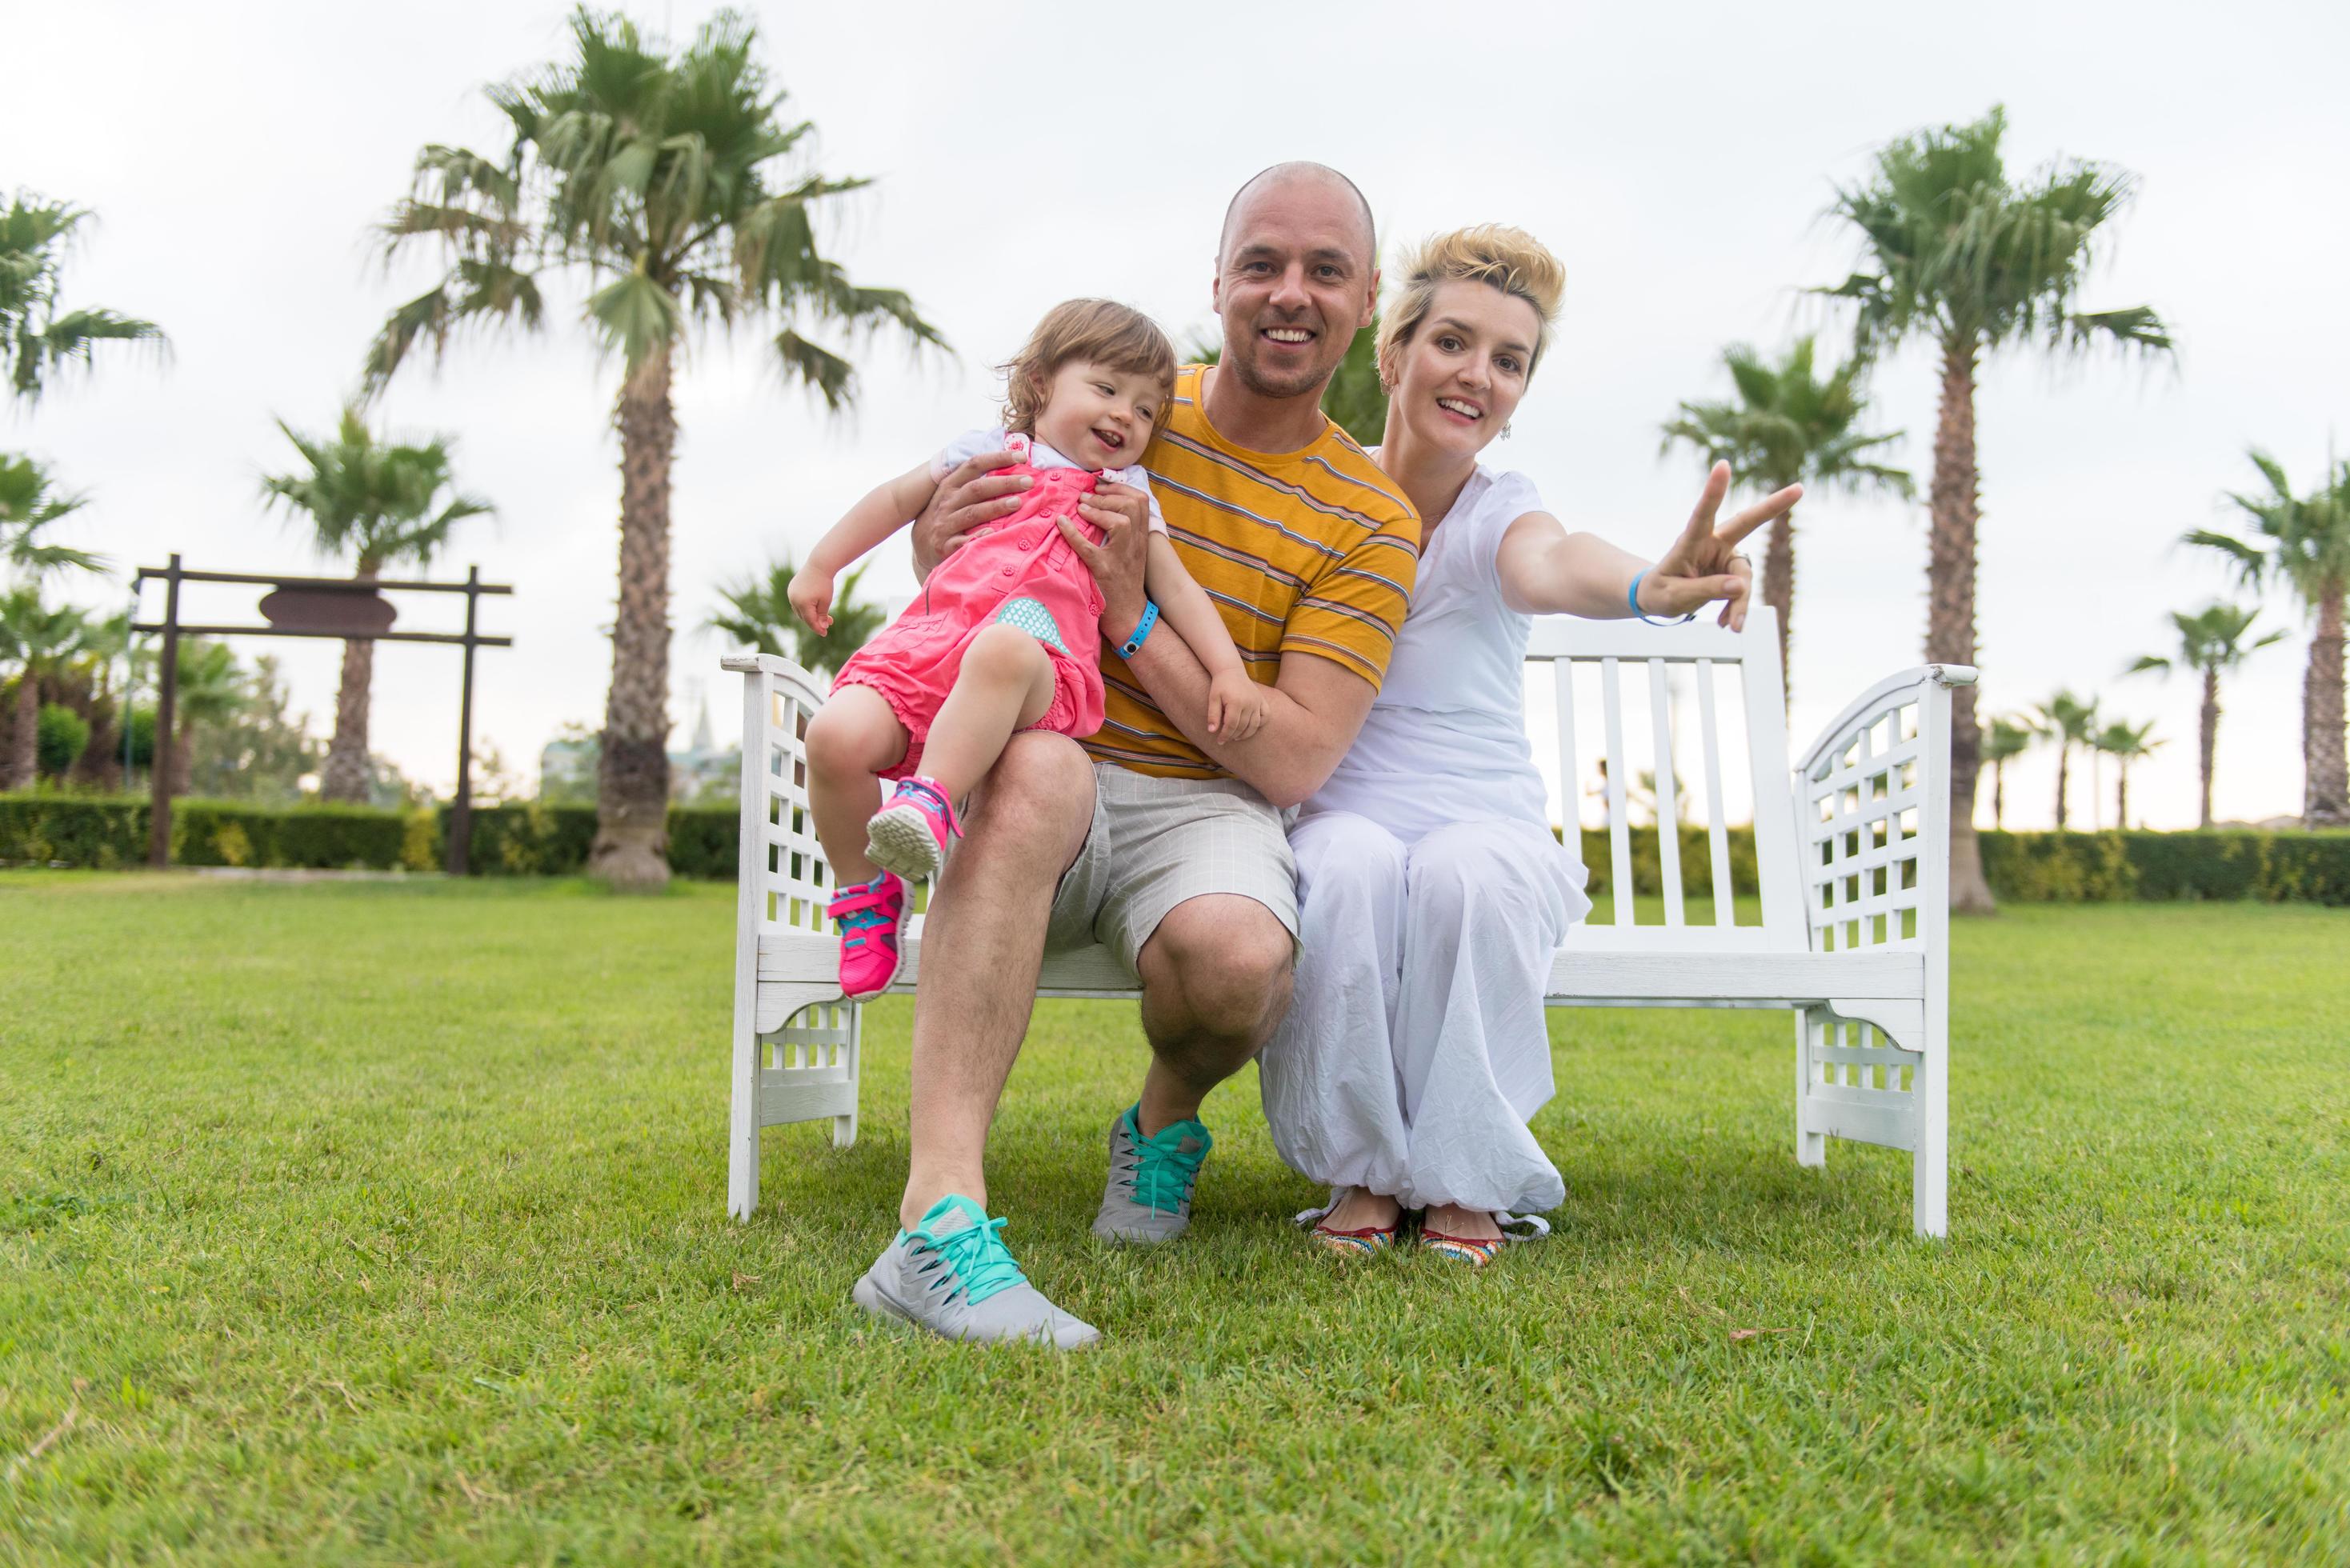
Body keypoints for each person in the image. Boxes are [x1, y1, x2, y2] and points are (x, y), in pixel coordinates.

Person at [847, 162, 1420, 1349]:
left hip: (1207, 802)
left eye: (1324, 270)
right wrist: (937, 548)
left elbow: (1297, 760)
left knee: (1238, 965)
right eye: (1261, 262)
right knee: (1041, 766)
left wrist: (1132, 623)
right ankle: (937, 1223)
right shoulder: (1121, 393)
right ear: (1219, 282)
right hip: (1044, 756)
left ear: (1366, 296)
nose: (1289, 292)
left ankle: (1162, 1121)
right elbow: (979, 577)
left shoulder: (1372, 517)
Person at [1258, 225, 1798, 1265]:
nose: (1478, 376)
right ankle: (1362, 1172)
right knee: (1347, 868)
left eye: (1509, 361)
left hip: (1483, 817)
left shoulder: (1503, 509)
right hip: (1340, 811)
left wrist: (1650, 586)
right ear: (1396, 351)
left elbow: (1555, 565)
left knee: (1467, 875)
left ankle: (1467, 1178)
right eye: (1454, 343)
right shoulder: (1323, 493)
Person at [791, 300, 1270, 1001]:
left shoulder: (1125, 496)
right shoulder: (984, 453)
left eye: (1145, 411)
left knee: (1005, 645)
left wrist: (1227, 670)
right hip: (930, 651)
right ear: (1042, 381)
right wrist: (822, 564)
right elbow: (894, 500)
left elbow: (1177, 588)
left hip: (1034, 668)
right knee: (833, 735)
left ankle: (930, 799)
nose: (1124, 418)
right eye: (1105, 391)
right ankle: (868, 899)